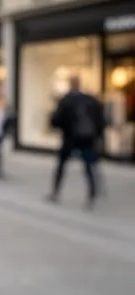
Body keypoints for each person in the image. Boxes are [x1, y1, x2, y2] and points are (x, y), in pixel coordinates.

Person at [47, 76, 107, 209]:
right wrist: (97, 136)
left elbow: (57, 120)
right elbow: (101, 121)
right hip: (88, 138)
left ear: (70, 84)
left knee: (62, 165)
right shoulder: (91, 99)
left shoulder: (66, 100)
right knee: (89, 165)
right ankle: (92, 193)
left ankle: (55, 192)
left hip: (70, 138)